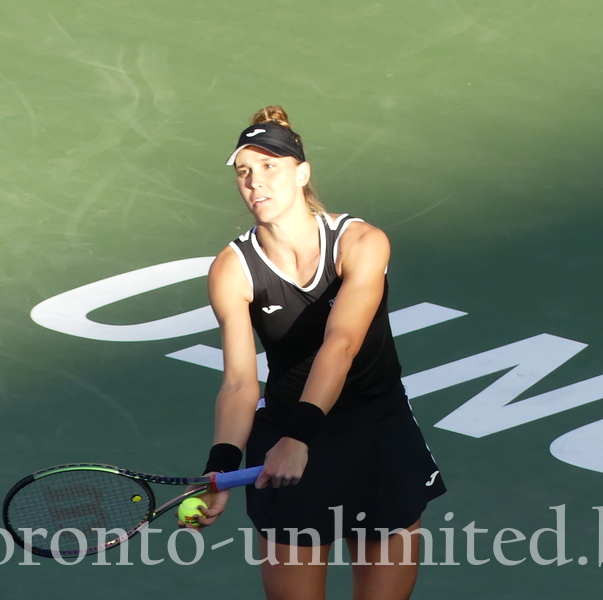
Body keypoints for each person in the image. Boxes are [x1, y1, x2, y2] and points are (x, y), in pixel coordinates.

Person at [183, 106, 445, 600]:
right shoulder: (232, 269)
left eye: (270, 167)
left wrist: (299, 436)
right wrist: (220, 467)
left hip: (375, 433)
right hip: (285, 435)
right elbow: (240, 382)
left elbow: (340, 344)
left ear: (302, 173)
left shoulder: (362, 243)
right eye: (245, 172)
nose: (255, 182)